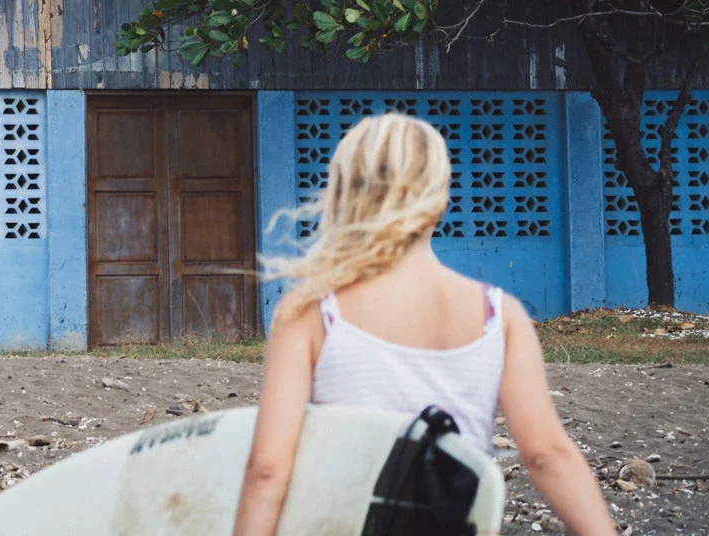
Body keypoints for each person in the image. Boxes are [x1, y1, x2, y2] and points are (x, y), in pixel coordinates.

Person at [233, 112, 616, 536]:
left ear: (343, 193)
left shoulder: (311, 313)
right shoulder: (499, 314)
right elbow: (547, 455)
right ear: (440, 198)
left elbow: (268, 469)